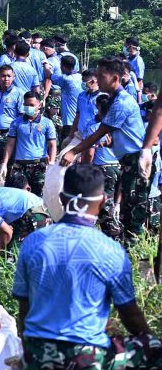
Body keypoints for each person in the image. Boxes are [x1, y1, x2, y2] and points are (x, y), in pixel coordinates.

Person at [13, 163, 162, 370]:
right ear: (103, 200)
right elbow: (131, 316)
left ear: (63, 197)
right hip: (87, 360)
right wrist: (145, 339)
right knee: (155, 353)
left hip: (41, 358)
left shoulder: (33, 244)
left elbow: (23, 314)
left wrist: (30, 354)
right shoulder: (109, 250)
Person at [61, 57, 153, 242]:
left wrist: (73, 152)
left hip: (136, 162)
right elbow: (117, 134)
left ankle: (137, 260)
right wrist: (112, 143)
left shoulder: (121, 102)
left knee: (133, 213)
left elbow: (98, 133)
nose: (98, 80)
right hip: (127, 160)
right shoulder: (113, 100)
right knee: (129, 210)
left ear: (115, 78)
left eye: (102, 76)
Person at [0, 92, 57, 196]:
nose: (28, 107)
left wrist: (51, 164)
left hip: (39, 165)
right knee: (18, 195)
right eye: (26, 105)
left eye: (31, 105)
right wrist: (4, 163)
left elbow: (52, 144)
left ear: (39, 105)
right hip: (20, 165)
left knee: (38, 196)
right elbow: (10, 144)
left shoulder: (47, 123)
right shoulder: (16, 123)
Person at [83, 94, 123, 239]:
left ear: (100, 108)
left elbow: (89, 154)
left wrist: (85, 170)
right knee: (117, 205)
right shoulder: (120, 126)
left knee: (103, 208)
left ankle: (112, 238)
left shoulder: (95, 128)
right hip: (121, 167)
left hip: (104, 169)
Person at [61, 69, 101, 153]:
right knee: (64, 155)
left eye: (85, 81)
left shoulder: (102, 97)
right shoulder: (81, 96)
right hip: (80, 135)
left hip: (95, 136)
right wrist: (70, 136)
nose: (83, 84)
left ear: (93, 81)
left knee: (89, 160)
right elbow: (78, 116)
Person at [48, 55, 84, 141]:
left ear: (63, 66)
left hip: (69, 120)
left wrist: (46, 65)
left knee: (66, 144)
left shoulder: (65, 79)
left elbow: (50, 76)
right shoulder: (80, 77)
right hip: (80, 118)